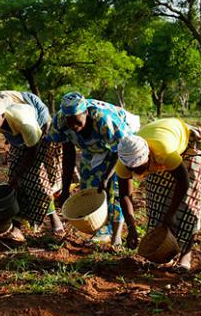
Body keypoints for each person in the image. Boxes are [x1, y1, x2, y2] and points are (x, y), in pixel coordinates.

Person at [116, 118, 201, 273]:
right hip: (157, 146)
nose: (138, 172)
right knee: (156, 204)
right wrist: (131, 227)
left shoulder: (163, 151)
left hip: (185, 145)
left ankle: (186, 254)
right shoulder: (124, 163)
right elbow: (125, 194)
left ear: (148, 156)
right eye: (133, 169)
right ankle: (162, 254)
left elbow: (183, 181)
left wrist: (171, 214)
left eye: (140, 167)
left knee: (189, 202)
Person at [47, 92, 135, 245]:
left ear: (86, 113)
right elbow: (68, 155)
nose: (73, 126)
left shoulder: (104, 119)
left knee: (114, 188)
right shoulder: (60, 121)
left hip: (118, 146)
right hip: (91, 148)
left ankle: (116, 235)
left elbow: (119, 150)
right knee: (88, 187)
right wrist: (65, 188)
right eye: (69, 122)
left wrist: (106, 177)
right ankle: (101, 231)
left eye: (77, 121)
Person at [0, 92, 64, 240]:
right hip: (18, 130)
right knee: (13, 180)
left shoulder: (24, 120)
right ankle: (17, 228)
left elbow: (33, 149)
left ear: (3, 115)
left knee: (36, 178)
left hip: (39, 124)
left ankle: (54, 220)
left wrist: (19, 174)